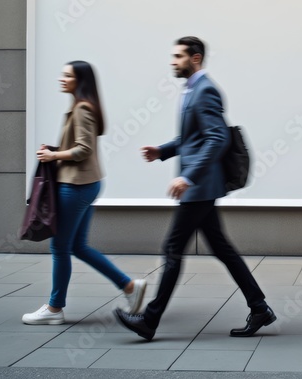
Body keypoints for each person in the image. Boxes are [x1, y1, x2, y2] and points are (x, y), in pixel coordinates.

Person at [114, 36, 274, 340]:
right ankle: (259, 307)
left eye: (178, 56)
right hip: (199, 187)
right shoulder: (191, 90)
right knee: (222, 249)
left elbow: (217, 139)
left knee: (172, 249)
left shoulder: (205, 90)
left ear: (195, 58)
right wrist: (162, 151)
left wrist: (187, 177)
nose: (173, 62)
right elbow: (194, 139)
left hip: (199, 187)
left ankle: (149, 321)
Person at [22, 61, 146, 325]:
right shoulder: (83, 107)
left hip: (76, 186)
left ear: (80, 81)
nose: (61, 78)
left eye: (67, 75)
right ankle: (129, 287)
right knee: (77, 246)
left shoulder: (82, 109)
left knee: (60, 247)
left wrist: (53, 154)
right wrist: (56, 149)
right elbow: (80, 145)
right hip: (85, 184)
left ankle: (55, 309)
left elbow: (84, 149)